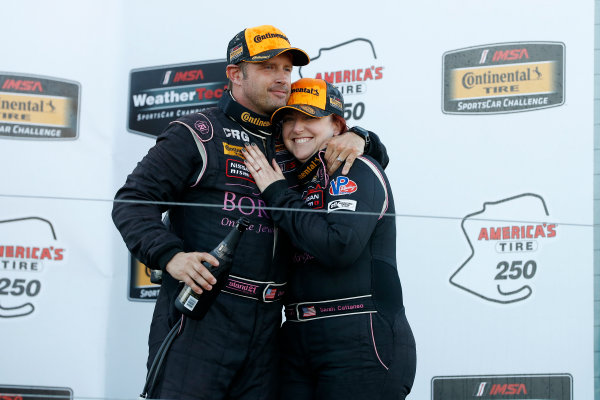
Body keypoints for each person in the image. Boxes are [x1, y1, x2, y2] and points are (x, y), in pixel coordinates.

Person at [112, 25, 388, 400]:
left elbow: (366, 164)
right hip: (203, 316)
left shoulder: (291, 141)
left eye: (287, 69)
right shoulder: (197, 132)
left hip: (269, 332)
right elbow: (133, 200)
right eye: (267, 67)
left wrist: (362, 137)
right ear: (235, 74)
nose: (281, 79)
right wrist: (170, 256)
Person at [242, 78, 416, 400]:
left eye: (309, 118)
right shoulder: (292, 178)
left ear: (336, 124)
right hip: (294, 337)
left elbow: (339, 247)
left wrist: (278, 196)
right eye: (288, 120)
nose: (297, 129)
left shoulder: (356, 167)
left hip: (359, 336)